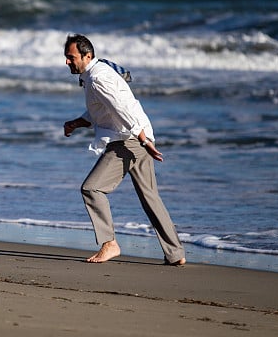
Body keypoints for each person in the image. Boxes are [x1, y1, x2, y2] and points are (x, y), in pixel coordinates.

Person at [63, 33, 186, 265]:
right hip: (138, 136)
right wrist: (77, 123)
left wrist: (142, 139)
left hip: (129, 140)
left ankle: (109, 244)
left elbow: (122, 108)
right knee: (151, 198)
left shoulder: (98, 78)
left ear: (87, 56)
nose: (67, 62)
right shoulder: (95, 74)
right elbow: (104, 110)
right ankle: (176, 253)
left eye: (71, 57)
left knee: (92, 189)